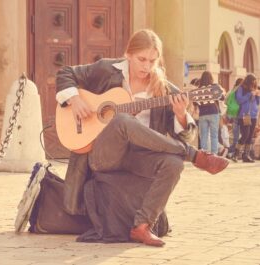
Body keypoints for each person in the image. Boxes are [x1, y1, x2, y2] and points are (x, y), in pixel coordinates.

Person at [55, 29, 229, 247]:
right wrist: (74, 99)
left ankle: (143, 226)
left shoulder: (163, 89)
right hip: (102, 156)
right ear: (128, 54)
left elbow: (188, 134)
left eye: (153, 61)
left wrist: (181, 115)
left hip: (138, 158)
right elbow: (65, 72)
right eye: (142, 59)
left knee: (173, 164)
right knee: (123, 120)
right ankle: (194, 156)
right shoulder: (107, 70)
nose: (147, 67)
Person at [194, 71, 224, 154]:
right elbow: (222, 97)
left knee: (204, 136)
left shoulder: (198, 89)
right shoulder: (215, 87)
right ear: (211, 78)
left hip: (203, 115)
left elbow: (195, 102)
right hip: (214, 113)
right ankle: (214, 155)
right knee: (214, 136)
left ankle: (204, 155)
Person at [234, 74, 260, 162]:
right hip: (244, 115)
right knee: (245, 134)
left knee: (250, 136)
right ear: (248, 82)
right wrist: (249, 94)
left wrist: (257, 95)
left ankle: (246, 155)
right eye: (253, 82)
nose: (254, 84)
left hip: (253, 115)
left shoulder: (254, 89)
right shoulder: (241, 88)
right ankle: (236, 154)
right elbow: (239, 100)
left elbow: (257, 103)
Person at [226, 78, 244, 161]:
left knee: (236, 135)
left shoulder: (231, 91)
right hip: (237, 114)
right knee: (237, 136)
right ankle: (231, 151)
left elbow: (226, 101)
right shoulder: (239, 90)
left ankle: (232, 152)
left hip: (232, 113)